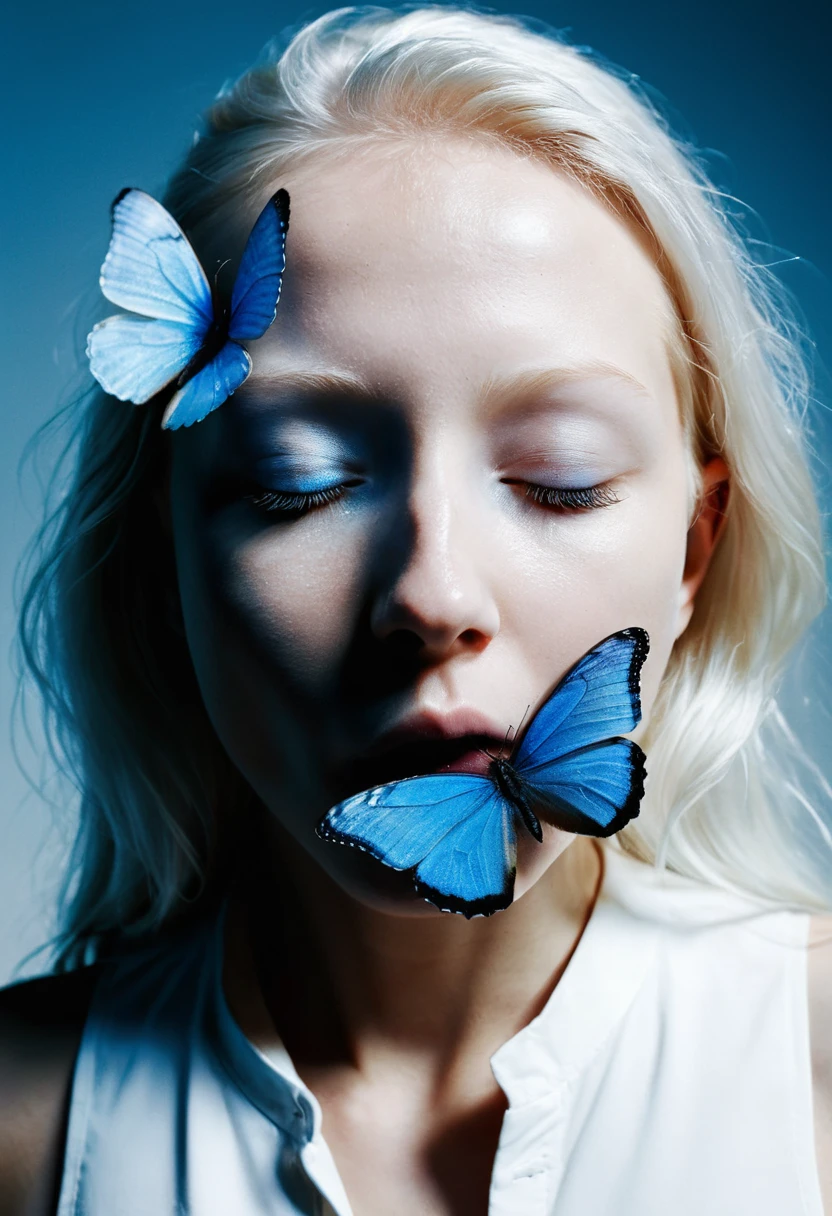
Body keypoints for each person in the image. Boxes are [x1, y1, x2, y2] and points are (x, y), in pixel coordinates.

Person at [1, 5, 830, 1213]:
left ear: (697, 547)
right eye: (300, 484)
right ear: (168, 556)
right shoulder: (25, 1128)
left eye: (559, 479)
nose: (433, 594)